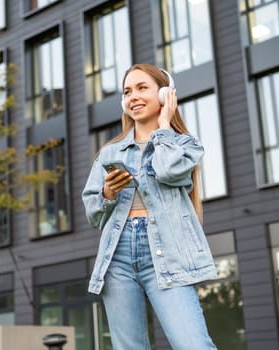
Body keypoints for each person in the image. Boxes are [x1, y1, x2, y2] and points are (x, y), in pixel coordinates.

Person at [82, 63, 218, 349]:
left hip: (168, 253)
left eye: (143, 88)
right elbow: (94, 214)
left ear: (165, 94)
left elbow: (168, 171)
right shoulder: (109, 152)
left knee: (193, 344)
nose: (133, 96)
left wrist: (165, 125)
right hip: (117, 256)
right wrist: (107, 193)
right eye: (127, 91)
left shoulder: (185, 145)